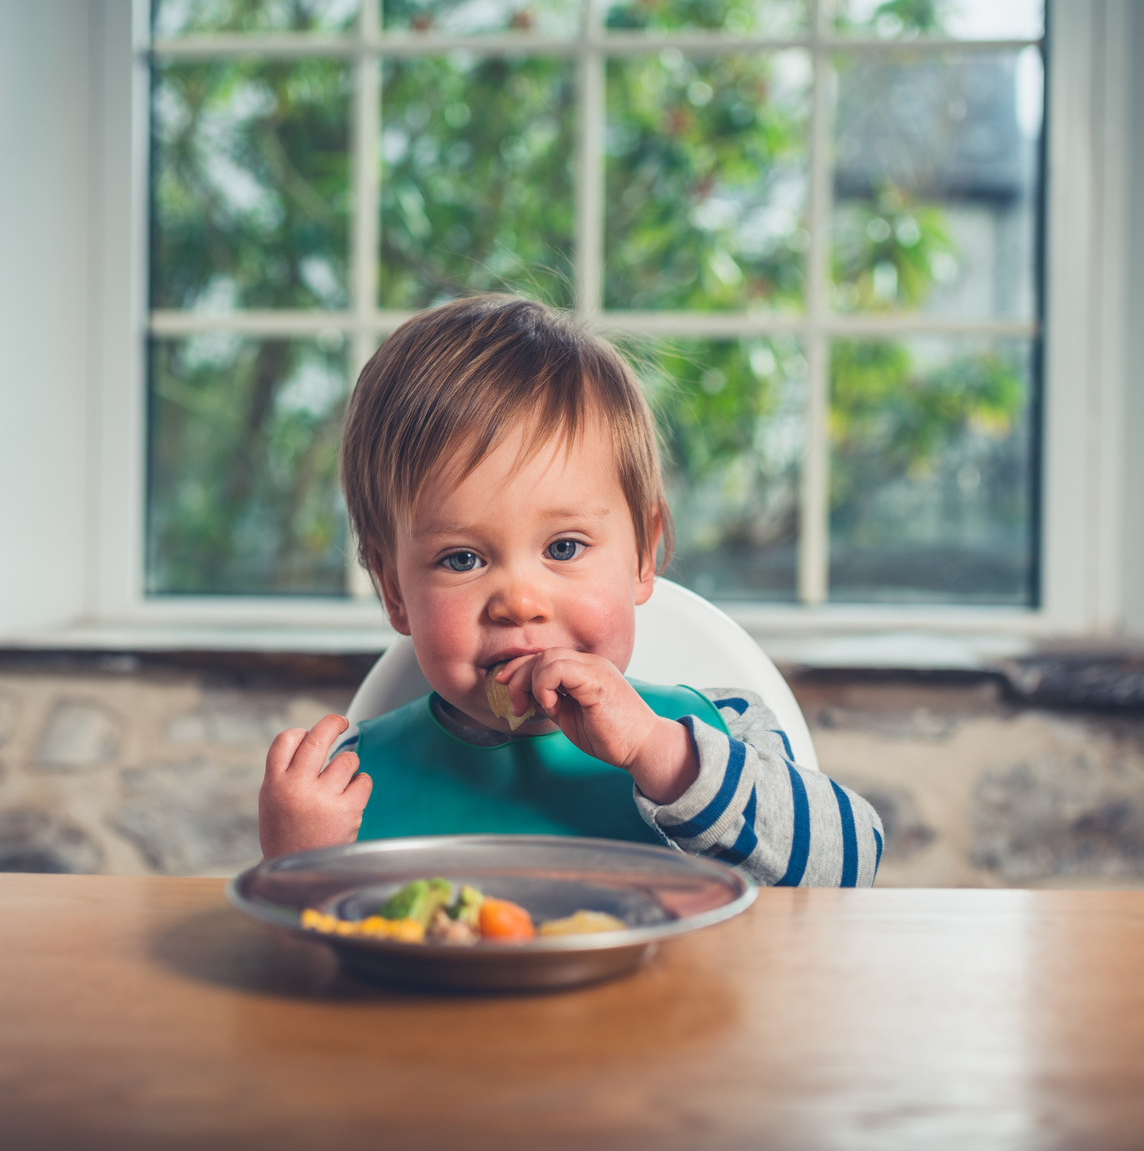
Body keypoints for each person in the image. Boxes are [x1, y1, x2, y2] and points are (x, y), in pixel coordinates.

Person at [257, 294, 883, 887]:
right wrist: (298, 861)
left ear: (643, 555)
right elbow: (304, 980)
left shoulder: (722, 732)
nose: (520, 602)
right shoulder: (341, 783)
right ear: (394, 592)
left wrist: (660, 754)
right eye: (462, 558)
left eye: (563, 548)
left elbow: (852, 863)